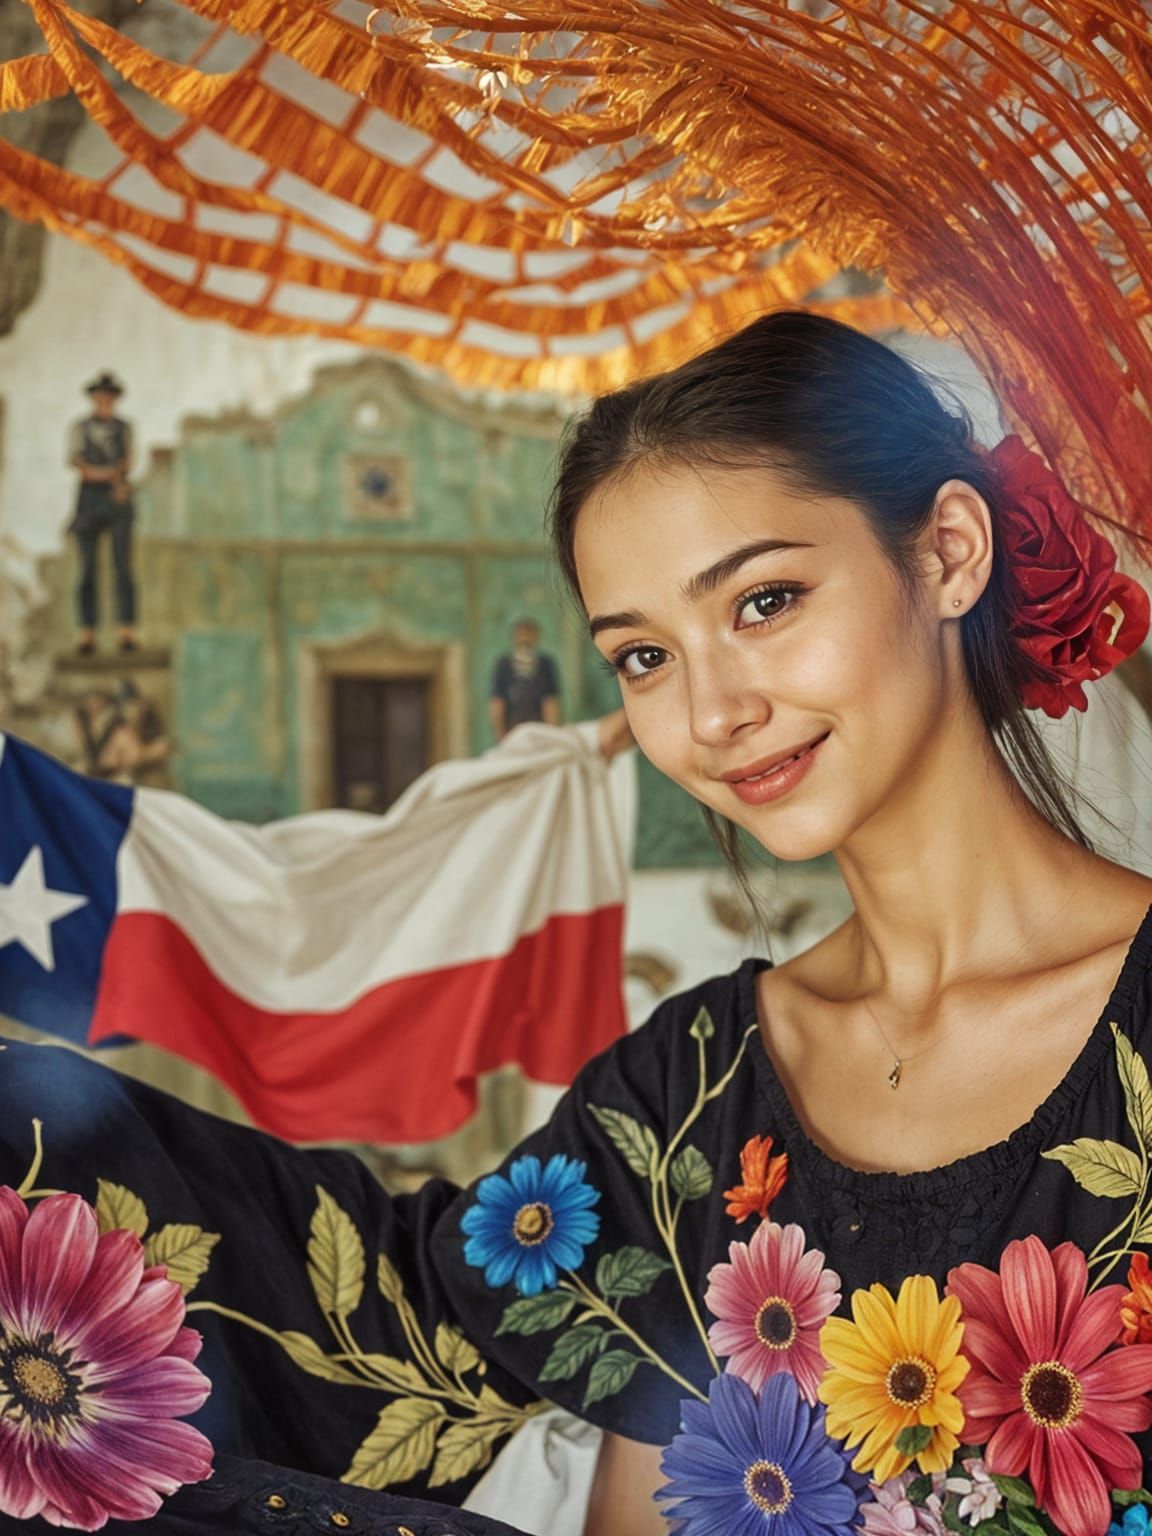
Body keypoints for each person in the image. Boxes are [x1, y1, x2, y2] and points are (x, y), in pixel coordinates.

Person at [5, 312, 1152, 1536]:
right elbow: (381, 1338)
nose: (712, 711)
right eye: (644, 657)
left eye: (765, 601)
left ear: (947, 555)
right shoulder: (690, 1094)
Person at [68, 370, 138, 655]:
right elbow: (78, 464)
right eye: (101, 397)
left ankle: (126, 629)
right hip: (89, 500)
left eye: (110, 397)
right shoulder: (80, 428)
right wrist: (107, 475)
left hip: (116, 499)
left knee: (123, 566)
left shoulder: (125, 428)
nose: (105, 402)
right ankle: (87, 632)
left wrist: (112, 477)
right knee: (87, 569)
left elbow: (127, 463)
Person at [488, 617, 562, 739]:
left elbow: (550, 701)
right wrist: (500, 734)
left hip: (539, 729)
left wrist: (552, 732)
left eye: (528, 634)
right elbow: (497, 701)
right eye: (521, 634)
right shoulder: (504, 665)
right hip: (512, 729)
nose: (524, 638)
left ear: (536, 637)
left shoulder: (545, 664)